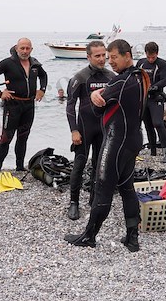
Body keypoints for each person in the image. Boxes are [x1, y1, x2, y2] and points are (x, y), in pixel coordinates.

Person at [64, 39, 150, 251]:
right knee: (127, 187)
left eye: (113, 57)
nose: (109, 61)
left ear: (127, 55)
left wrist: (94, 95)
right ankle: (132, 238)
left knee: (103, 187)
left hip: (116, 141)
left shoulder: (119, 82)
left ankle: (89, 236)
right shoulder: (140, 77)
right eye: (106, 57)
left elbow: (97, 109)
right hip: (134, 139)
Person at [65, 40, 116, 220]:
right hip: (84, 128)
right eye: (97, 56)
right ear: (88, 57)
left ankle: (94, 198)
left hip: (103, 128)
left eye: (104, 55)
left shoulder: (111, 77)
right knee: (79, 164)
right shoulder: (80, 77)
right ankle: (74, 202)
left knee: (99, 164)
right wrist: (73, 131)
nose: (102, 59)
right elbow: (70, 106)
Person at [0, 38, 48, 174]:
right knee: (6, 137)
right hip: (12, 105)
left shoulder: (35, 64)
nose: (25, 51)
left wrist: (42, 90)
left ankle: (19, 166)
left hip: (29, 105)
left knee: (23, 136)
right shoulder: (7, 63)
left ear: (31, 49)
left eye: (27, 48)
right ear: (16, 48)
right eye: (22, 48)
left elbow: (44, 76)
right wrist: (0, 93)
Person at [136, 41, 166, 163]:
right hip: (144, 99)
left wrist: (155, 87)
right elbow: (136, 77)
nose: (151, 59)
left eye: (153, 57)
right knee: (147, 125)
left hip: (156, 98)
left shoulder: (162, 64)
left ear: (157, 53)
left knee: (158, 123)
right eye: (148, 57)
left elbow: (165, 80)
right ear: (145, 54)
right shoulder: (141, 63)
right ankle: (152, 151)